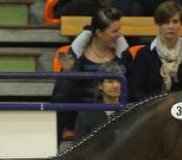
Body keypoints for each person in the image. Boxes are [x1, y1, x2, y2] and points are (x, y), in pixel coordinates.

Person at [51, 2, 132, 141]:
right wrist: (68, 72)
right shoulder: (75, 56)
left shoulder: (125, 57)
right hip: (80, 118)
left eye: (119, 29)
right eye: (114, 31)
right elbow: (61, 96)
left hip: (116, 117)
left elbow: (132, 92)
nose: (120, 35)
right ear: (99, 32)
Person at [131, 1, 182, 101]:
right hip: (152, 110)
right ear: (158, 24)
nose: (171, 27)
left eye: (175, 22)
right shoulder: (144, 54)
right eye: (166, 22)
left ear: (181, 23)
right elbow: (137, 90)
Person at [73, 61, 124, 142]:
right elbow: (78, 148)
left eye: (119, 81)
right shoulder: (86, 114)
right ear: (100, 85)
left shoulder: (131, 111)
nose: (115, 85)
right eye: (110, 81)